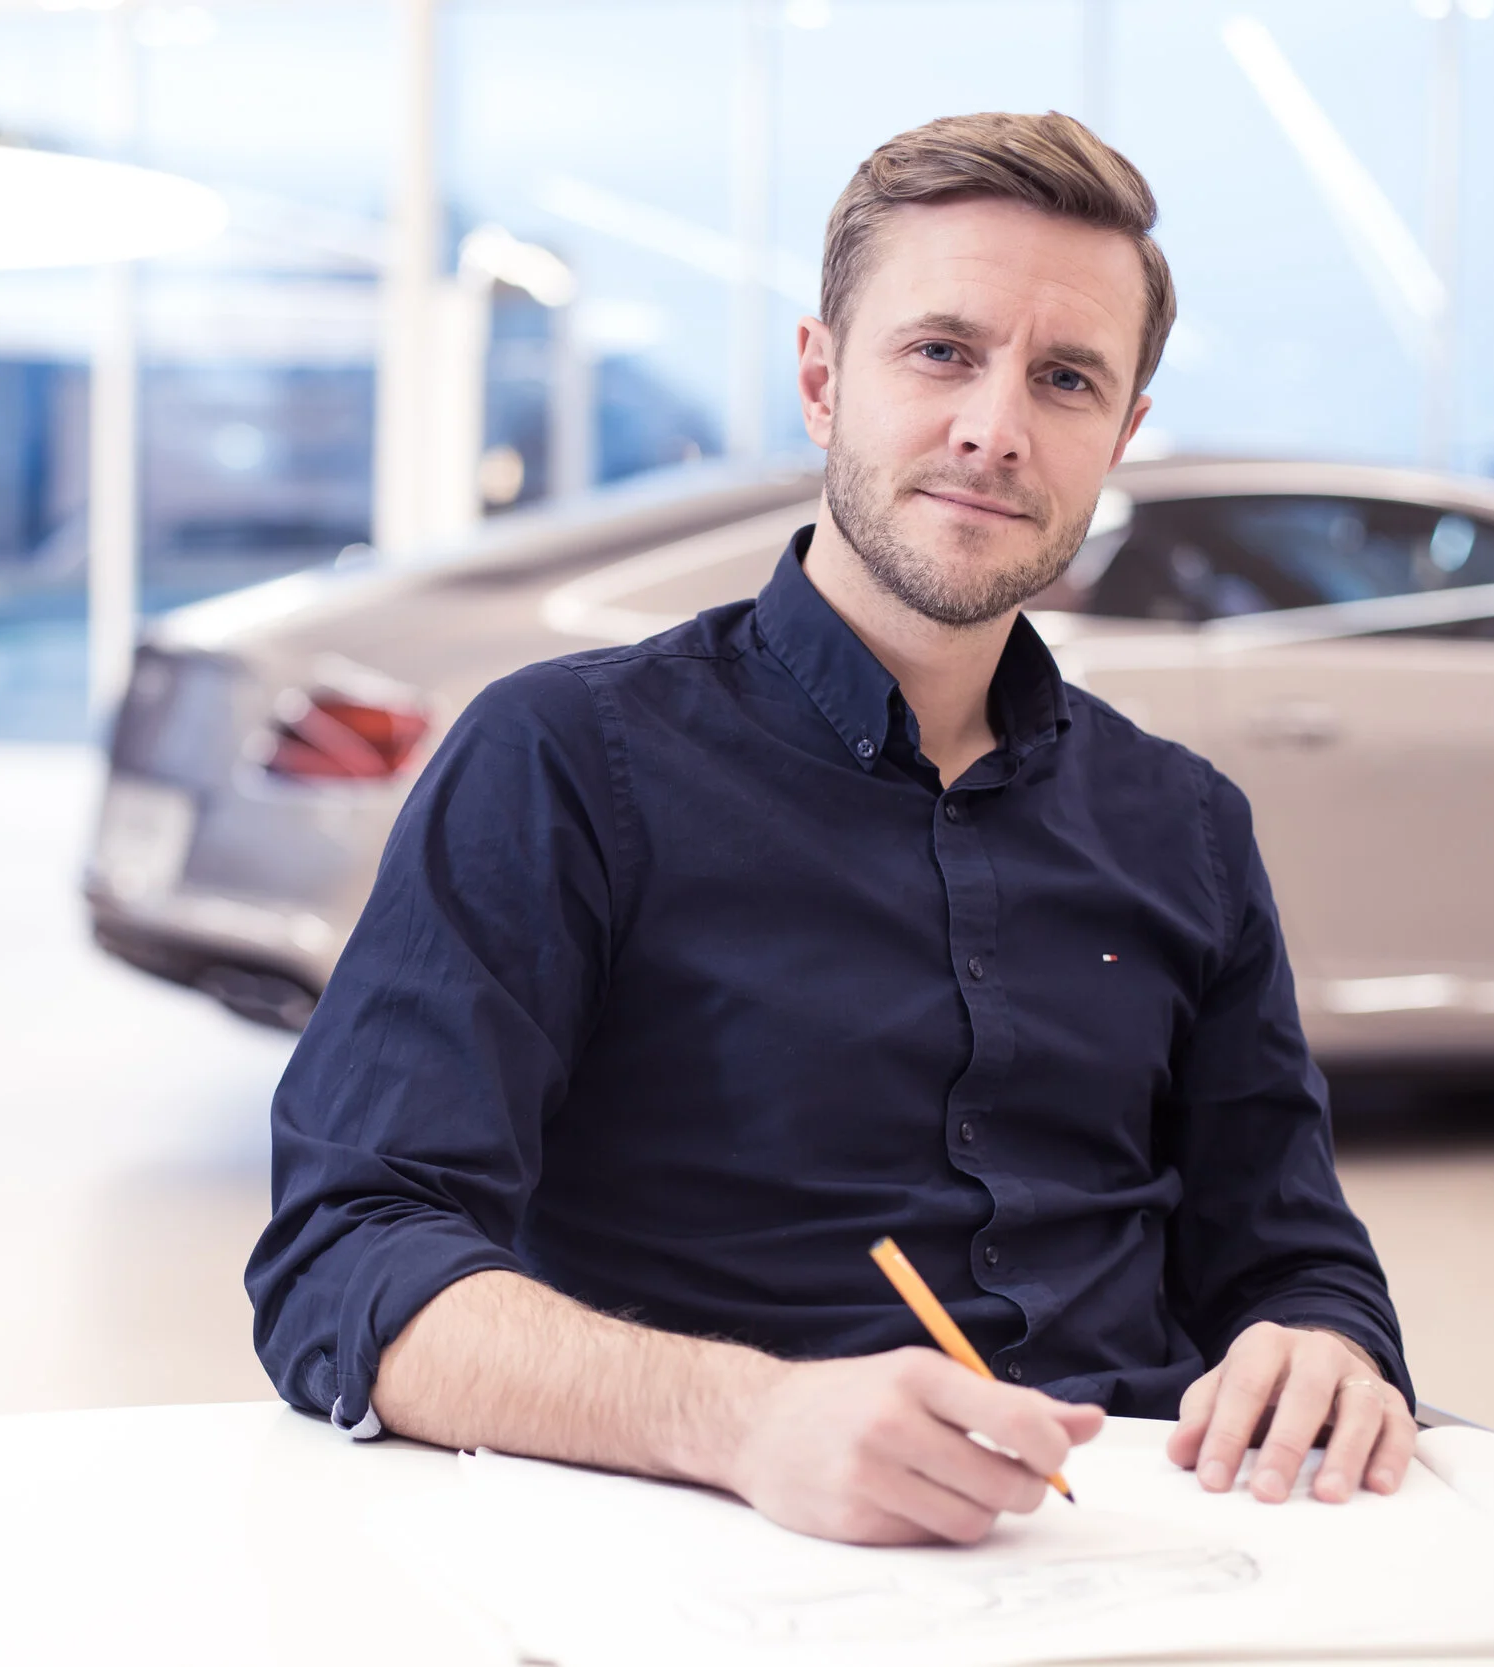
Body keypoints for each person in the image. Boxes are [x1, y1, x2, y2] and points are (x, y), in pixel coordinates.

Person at [246, 111, 1415, 1548]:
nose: (995, 427)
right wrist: (741, 1420)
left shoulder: (1188, 824)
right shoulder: (563, 760)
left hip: (1145, 1541)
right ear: (820, 379)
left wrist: (1323, 1345)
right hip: (724, 1543)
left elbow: (1292, 1257)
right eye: (942, 352)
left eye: (1065, 379)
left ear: (1120, 436)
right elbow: (346, 1260)